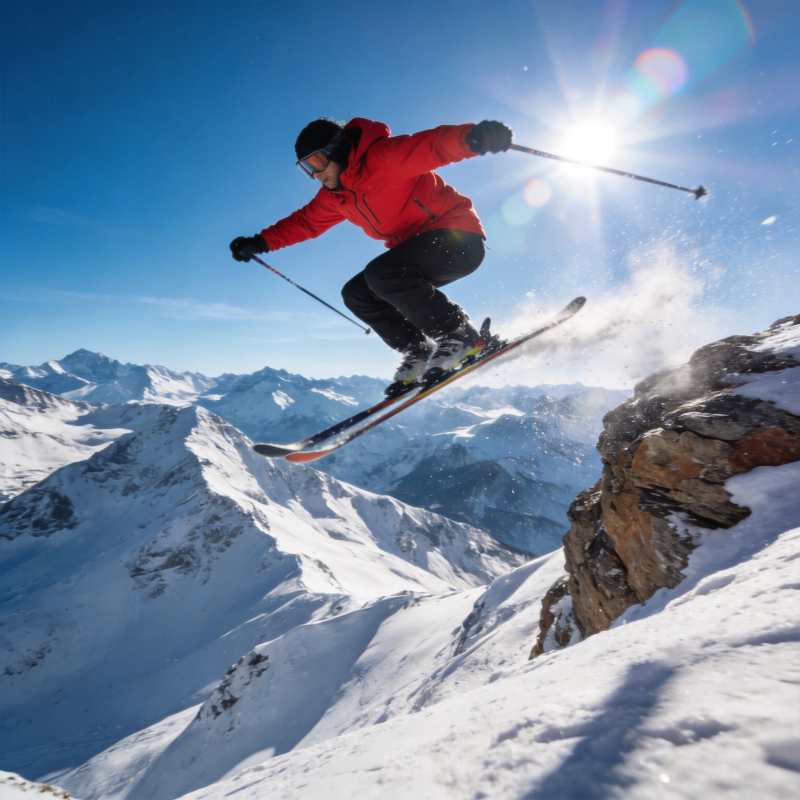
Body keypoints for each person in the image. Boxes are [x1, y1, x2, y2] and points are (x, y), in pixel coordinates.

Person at [230, 117, 513, 393]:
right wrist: (259, 242)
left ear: (337, 150)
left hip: (458, 238)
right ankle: (418, 350)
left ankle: (460, 334)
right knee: (357, 293)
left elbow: (433, 145)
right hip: (415, 254)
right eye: (306, 168)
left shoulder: (383, 158)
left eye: (316, 162)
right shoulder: (335, 196)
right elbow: (305, 222)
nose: (315, 174)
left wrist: (473, 137)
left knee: (382, 273)